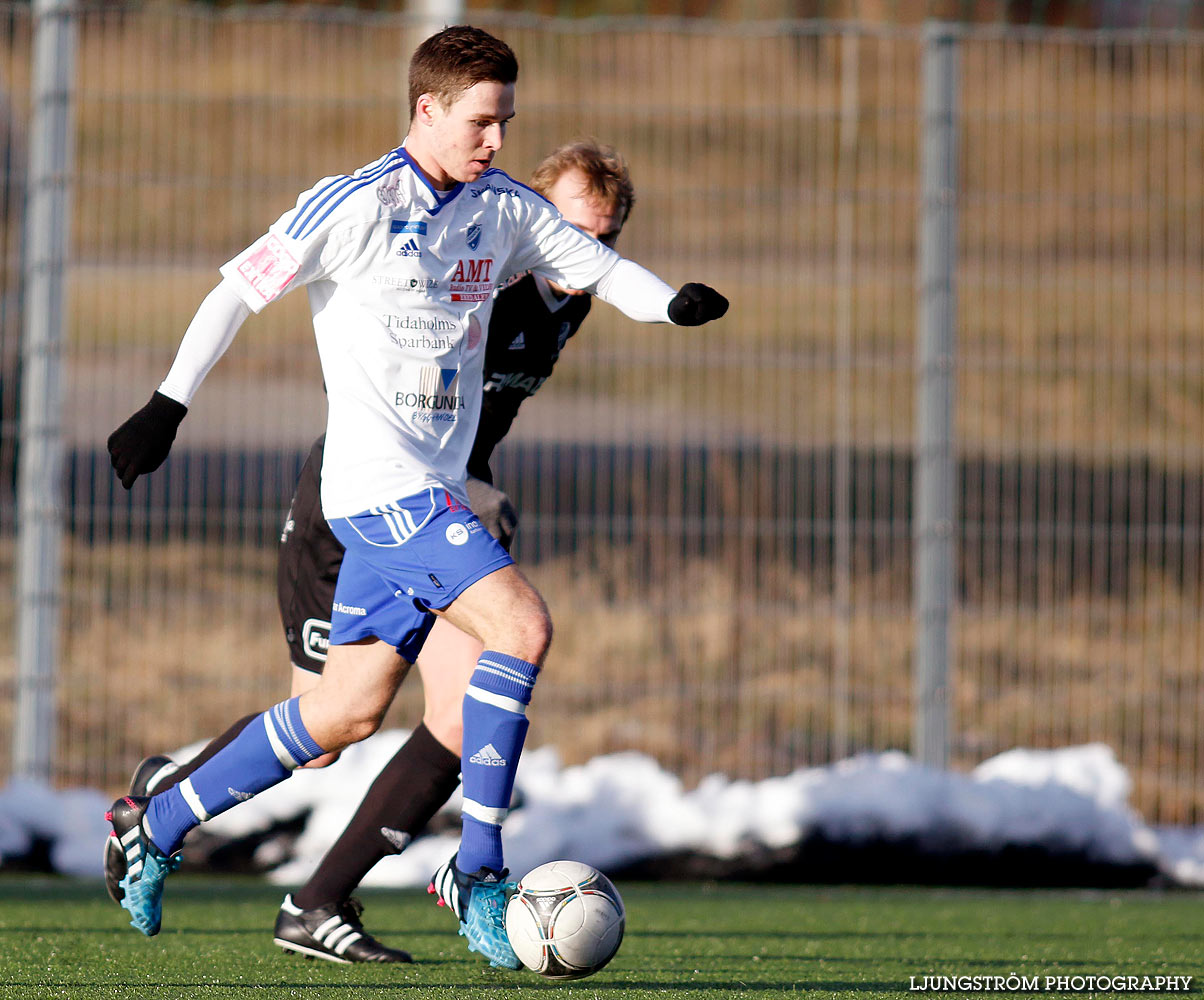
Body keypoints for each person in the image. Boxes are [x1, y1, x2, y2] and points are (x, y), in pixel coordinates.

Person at [104, 24, 727, 970]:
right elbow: (237, 290)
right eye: (482, 121)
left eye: (507, 122)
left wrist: (670, 302)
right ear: (428, 108)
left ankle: (160, 821)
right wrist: (165, 406)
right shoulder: (353, 204)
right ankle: (477, 874)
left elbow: (596, 265)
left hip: (430, 492)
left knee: (342, 715)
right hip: (373, 490)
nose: (496, 140)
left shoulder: (503, 210)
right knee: (520, 628)